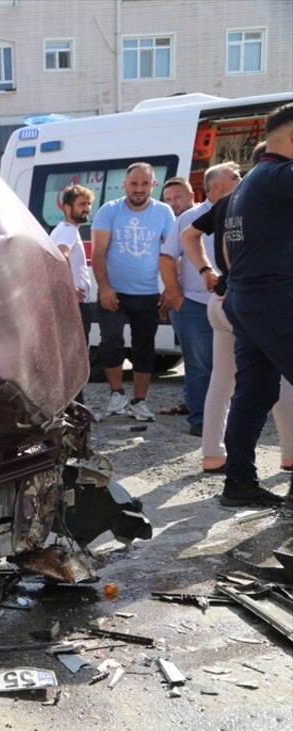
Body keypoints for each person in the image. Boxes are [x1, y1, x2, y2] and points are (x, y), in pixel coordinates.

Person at [181, 146, 292, 477]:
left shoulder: (227, 203)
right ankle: (288, 454)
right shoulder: (265, 203)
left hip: (224, 300)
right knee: (278, 381)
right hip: (250, 301)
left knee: (222, 383)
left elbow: (189, 236)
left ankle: (213, 454)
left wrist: (206, 272)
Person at [217, 103, 293, 506]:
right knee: (252, 391)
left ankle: (239, 482)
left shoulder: (247, 184)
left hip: (248, 298)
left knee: (255, 391)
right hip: (269, 298)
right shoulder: (279, 176)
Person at [91, 162, 178, 422]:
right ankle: (116, 394)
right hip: (114, 292)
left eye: (144, 183)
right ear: (125, 185)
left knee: (144, 347)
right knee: (111, 341)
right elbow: (98, 252)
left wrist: (171, 289)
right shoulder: (109, 211)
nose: (139, 189)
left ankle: (139, 402)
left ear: (153, 185)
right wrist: (105, 287)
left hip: (147, 292)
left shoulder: (163, 213)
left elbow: (171, 253)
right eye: (133, 183)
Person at [157, 174, 215, 433]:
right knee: (198, 363)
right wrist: (177, 298)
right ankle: (200, 417)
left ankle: (210, 413)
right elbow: (167, 260)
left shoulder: (212, 214)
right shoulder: (179, 221)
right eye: (168, 199)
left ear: (193, 195)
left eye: (178, 197)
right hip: (192, 303)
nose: (173, 202)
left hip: (221, 301)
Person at [49, 184, 95, 409]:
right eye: (82, 204)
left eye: (88, 204)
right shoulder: (67, 230)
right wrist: (70, 289)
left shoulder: (63, 229)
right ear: (67, 208)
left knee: (69, 356)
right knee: (76, 357)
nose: (87, 209)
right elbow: (60, 254)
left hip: (69, 303)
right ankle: (76, 407)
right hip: (74, 304)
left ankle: (71, 405)